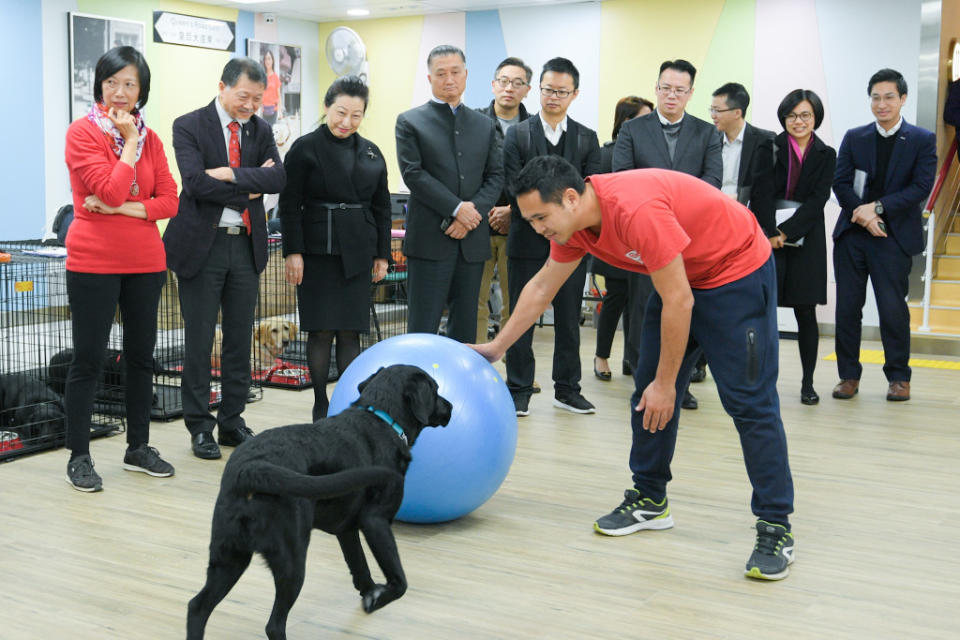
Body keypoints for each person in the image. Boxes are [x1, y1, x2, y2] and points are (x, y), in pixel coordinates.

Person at [473, 155, 796, 581]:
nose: (536, 228)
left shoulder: (635, 211)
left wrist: (668, 384)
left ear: (571, 198)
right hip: (678, 276)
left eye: (539, 217)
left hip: (734, 271)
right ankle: (649, 497)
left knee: (749, 402)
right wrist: (498, 347)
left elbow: (679, 301)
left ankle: (776, 525)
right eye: (530, 220)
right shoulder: (572, 226)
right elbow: (542, 285)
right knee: (647, 393)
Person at [62, 46, 178, 491]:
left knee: (141, 357)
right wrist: (128, 142)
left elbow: (170, 200)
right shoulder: (82, 134)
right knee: (88, 359)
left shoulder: (155, 139)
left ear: (142, 90)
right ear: (100, 85)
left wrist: (127, 210)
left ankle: (138, 448)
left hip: (146, 262)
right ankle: (79, 455)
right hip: (93, 261)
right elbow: (107, 192)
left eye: (130, 84)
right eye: (112, 82)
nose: (121, 92)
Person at [164, 58, 287, 460]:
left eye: (257, 98)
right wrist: (251, 184)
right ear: (222, 86)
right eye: (243, 96)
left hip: (246, 246)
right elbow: (196, 184)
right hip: (203, 245)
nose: (250, 105)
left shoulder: (261, 129)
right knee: (199, 341)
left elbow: (277, 179)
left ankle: (232, 420)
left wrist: (232, 175)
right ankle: (200, 426)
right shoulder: (189, 125)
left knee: (238, 339)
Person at [279, 76, 391, 421]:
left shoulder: (371, 151)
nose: (347, 122)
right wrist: (292, 251)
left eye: (356, 116)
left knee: (350, 330)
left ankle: (345, 401)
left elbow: (382, 207)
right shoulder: (304, 147)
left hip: (357, 252)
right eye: (341, 112)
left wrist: (382, 254)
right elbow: (289, 203)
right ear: (327, 107)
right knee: (321, 329)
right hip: (316, 253)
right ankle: (319, 401)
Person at [612, 60, 722, 410]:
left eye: (679, 90)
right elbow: (622, 180)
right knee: (644, 308)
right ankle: (643, 383)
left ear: (690, 93)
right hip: (645, 238)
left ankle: (679, 383)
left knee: (684, 309)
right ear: (656, 88)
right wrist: (655, 219)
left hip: (689, 240)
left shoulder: (707, 133)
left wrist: (679, 217)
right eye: (665, 88)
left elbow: (713, 184)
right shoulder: (633, 130)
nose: (671, 95)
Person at [502, 57, 601, 416]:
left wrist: (563, 223)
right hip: (526, 241)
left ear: (574, 94)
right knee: (521, 313)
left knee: (568, 317)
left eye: (561, 91)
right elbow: (513, 186)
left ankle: (567, 389)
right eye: (547, 90)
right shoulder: (518, 134)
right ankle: (519, 388)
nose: (553, 97)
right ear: (537, 90)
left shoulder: (587, 138)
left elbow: (590, 191)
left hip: (573, 243)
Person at [831, 69, 936, 402]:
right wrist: (863, 217)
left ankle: (898, 378)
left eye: (889, 96)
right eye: (875, 97)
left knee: (892, 309)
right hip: (853, 236)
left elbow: (920, 187)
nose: (882, 104)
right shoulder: (854, 136)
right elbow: (841, 183)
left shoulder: (921, 139)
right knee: (848, 308)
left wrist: (875, 208)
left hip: (893, 238)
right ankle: (848, 376)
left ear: (902, 99)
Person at [395, 45, 504, 343]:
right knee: (422, 325)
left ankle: (458, 389)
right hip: (429, 239)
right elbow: (413, 174)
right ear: (429, 78)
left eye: (455, 72)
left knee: (466, 325)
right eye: (441, 73)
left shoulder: (485, 124)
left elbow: (495, 176)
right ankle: (416, 387)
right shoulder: (410, 121)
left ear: (466, 75)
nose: (449, 79)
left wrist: (471, 214)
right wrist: (457, 208)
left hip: (471, 240)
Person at [750, 90, 836, 405]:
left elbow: (818, 199)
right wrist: (770, 232)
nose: (798, 122)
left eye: (805, 115)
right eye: (792, 116)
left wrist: (786, 233)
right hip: (767, 238)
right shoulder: (769, 147)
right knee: (763, 310)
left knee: (805, 311)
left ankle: (808, 384)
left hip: (806, 240)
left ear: (815, 118)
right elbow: (760, 193)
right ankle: (761, 383)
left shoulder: (827, 154)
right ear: (783, 118)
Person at [593, 96, 653, 381]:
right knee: (616, 298)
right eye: (645, 119)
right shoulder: (606, 154)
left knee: (639, 301)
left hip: (644, 243)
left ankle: (632, 356)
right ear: (626, 122)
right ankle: (601, 356)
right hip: (614, 242)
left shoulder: (650, 155)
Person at [475, 56, 533, 342]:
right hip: (477, 224)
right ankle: (474, 362)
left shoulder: (534, 128)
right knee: (475, 300)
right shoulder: (473, 122)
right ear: (493, 85)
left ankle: (516, 366)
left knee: (519, 301)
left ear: (527, 90)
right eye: (504, 81)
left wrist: (514, 210)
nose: (509, 88)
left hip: (520, 226)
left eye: (517, 83)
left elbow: (539, 177)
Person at [260, 48, 281, 126]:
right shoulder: (262, 77)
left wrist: (280, 112)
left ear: (272, 61)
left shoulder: (275, 77)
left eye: (269, 59)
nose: (267, 61)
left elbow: (279, 96)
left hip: (273, 111)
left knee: (271, 133)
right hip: (264, 111)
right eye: (265, 59)